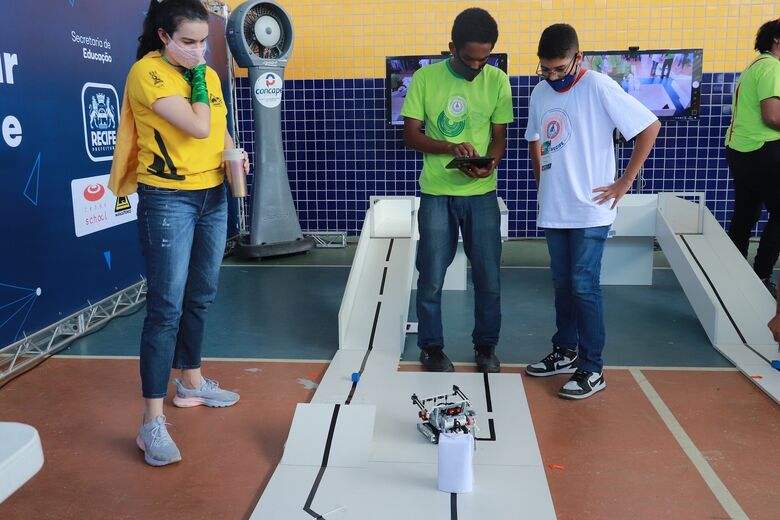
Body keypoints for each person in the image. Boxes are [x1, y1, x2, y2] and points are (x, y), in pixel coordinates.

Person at [109, 0, 249, 466]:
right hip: (168, 199)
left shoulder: (206, 75)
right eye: (187, 42)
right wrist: (193, 74)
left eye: (203, 40)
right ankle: (151, 422)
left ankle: (190, 382)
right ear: (164, 38)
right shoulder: (146, 74)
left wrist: (234, 153)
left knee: (202, 294)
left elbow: (219, 126)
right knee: (165, 306)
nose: (199, 50)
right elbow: (196, 124)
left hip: (213, 193)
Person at [524, 24, 660, 399]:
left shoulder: (598, 86)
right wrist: (544, 183)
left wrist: (624, 182)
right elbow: (535, 140)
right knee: (562, 285)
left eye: (559, 69)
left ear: (578, 58)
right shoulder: (539, 92)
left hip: (591, 209)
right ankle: (565, 351)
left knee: (584, 286)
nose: (552, 76)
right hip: (555, 208)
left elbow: (650, 126)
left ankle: (592, 368)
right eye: (545, 69)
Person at [401, 7, 513, 373]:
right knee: (431, 276)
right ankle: (431, 348)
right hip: (436, 194)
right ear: (452, 47)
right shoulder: (425, 78)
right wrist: (451, 148)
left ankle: (486, 347)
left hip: (482, 196)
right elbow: (411, 135)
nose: (476, 67)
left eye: (484, 59)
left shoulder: (497, 80)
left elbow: (499, 139)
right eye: (469, 59)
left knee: (488, 278)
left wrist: (488, 164)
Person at [725, 18, 780, 297]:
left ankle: (736, 275)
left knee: (746, 213)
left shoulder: (754, 66)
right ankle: (760, 276)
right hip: (763, 148)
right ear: (777, 40)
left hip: (740, 149)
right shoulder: (772, 67)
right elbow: (772, 116)